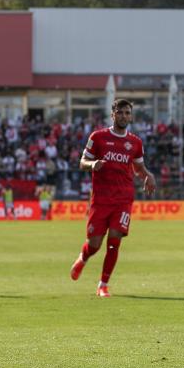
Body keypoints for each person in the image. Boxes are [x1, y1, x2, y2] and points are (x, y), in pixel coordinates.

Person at [70, 99, 156, 297]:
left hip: (123, 199)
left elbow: (139, 168)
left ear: (131, 116)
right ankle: (83, 258)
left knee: (114, 240)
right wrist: (92, 164)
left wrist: (148, 176)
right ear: (113, 115)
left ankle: (103, 284)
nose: (124, 116)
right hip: (101, 199)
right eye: (120, 112)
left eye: (127, 113)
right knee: (94, 244)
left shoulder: (135, 143)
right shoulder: (98, 137)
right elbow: (82, 162)